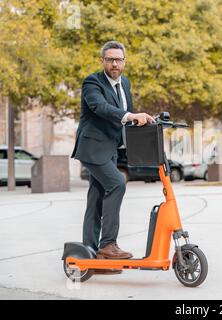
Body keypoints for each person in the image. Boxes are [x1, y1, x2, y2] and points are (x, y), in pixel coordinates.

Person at [71, 41, 154, 268]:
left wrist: (144, 119)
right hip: (92, 147)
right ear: (103, 61)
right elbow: (102, 108)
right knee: (117, 183)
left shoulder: (124, 83)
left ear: (124, 62)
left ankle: (91, 255)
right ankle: (108, 244)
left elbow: (127, 113)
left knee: (96, 199)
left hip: (111, 149)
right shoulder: (92, 82)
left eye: (118, 59)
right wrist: (131, 115)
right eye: (110, 59)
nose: (114, 63)